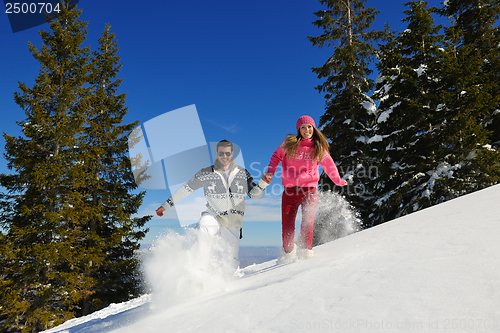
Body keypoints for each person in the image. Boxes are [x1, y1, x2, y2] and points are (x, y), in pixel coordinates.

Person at [156, 140, 270, 270]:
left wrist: (263, 183)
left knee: (231, 261)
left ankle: (228, 284)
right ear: (217, 153)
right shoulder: (206, 173)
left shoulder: (242, 173)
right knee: (202, 230)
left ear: (232, 153)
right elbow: (186, 189)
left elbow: (254, 194)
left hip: (233, 221)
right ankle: (198, 273)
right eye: (221, 153)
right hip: (213, 214)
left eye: (227, 153)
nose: (224, 156)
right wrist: (166, 205)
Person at [263, 116, 347, 260]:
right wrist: (270, 171)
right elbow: (276, 156)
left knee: (308, 223)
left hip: (310, 191)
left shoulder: (318, 147)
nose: (306, 130)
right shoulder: (289, 144)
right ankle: (288, 254)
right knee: (288, 228)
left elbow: (329, 165)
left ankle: (305, 253)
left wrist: (337, 180)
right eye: (303, 127)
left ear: (313, 128)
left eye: (309, 126)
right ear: (298, 130)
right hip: (290, 191)